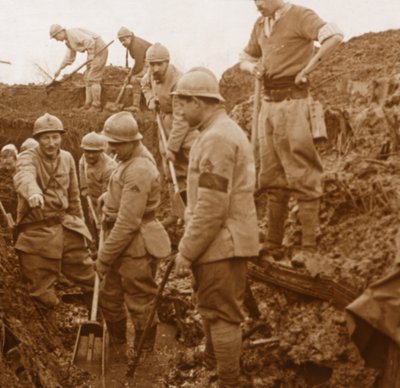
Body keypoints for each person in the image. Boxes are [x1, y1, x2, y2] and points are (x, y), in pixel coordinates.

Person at [239, 0, 344, 265]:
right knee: (272, 175)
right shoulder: (261, 24)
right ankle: (273, 244)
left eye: (260, 0)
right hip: (268, 106)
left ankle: (308, 248)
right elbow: (246, 57)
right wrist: (253, 68)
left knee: (303, 171)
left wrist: (307, 69)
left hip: (294, 104)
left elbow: (334, 36)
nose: (257, 5)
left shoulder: (301, 15)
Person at [173, 69, 259, 387]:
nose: (179, 112)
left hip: (222, 242)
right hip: (223, 240)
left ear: (198, 101)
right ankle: (216, 368)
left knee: (222, 314)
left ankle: (229, 381)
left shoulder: (217, 139)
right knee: (213, 308)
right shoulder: (217, 132)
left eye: (182, 104)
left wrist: (185, 251)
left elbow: (211, 207)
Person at [94, 111, 171, 357]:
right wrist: (109, 197)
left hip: (136, 243)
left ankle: (143, 354)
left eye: (117, 145)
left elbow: (128, 222)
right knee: (109, 296)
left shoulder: (140, 168)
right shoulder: (128, 160)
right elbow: (123, 190)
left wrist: (104, 257)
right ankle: (117, 347)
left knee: (140, 300)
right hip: (122, 240)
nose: (112, 150)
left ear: (132, 141)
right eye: (111, 144)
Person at [13, 113, 95, 309]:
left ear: (61, 137)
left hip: (66, 227)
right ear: (38, 139)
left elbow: (74, 197)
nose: (51, 143)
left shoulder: (67, 158)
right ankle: (52, 329)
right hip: (37, 234)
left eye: (55, 137)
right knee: (42, 294)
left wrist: (81, 229)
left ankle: (101, 320)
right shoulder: (28, 157)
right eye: (45, 138)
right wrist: (33, 193)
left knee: (91, 278)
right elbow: (24, 176)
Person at [141, 42, 198, 226]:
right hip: (164, 123)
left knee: (189, 168)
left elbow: (181, 118)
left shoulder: (178, 80)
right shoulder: (150, 73)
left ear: (167, 62)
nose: (155, 68)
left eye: (160, 64)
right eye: (152, 64)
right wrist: (150, 99)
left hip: (185, 127)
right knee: (169, 171)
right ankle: (177, 213)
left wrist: (172, 147)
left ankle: (195, 213)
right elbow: (144, 84)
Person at [49, 24, 109, 112]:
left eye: (55, 37)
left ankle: (96, 106)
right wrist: (60, 69)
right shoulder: (68, 41)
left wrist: (91, 54)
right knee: (87, 77)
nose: (57, 40)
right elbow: (70, 58)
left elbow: (89, 41)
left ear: (60, 32)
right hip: (92, 51)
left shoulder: (72, 33)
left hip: (99, 49)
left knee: (93, 78)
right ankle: (87, 105)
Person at [78, 131, 117, 224]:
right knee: (93, 223)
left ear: (101, 151)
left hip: (108, 202)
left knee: (104, 226)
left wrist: (101, 212)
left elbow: (107, 196)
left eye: (94, 152)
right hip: (91, 199)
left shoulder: (109, 167)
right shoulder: (84, 157)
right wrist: (84, 188)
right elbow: (81, 166)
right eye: (88, 151)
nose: (90, 155)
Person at [117, 26, 151, 112]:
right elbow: (137, 63)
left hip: (153, 62)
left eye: (124, 40)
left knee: (135, 79)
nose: (122, 43)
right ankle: (137, 105)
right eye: (121, 41)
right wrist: (130, 74)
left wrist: (129, 76)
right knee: (134, 78)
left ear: (129, 37)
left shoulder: (136, 45)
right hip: (147, 62)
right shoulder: (132, 43)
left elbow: (139, 64)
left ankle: (137, 106)